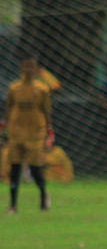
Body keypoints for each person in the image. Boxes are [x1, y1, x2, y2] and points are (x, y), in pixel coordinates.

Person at [2, 57, 54, 214]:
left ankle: (44, 195)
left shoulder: (42, 89)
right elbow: (9, 109)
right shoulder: (14, 88)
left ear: (36, 68)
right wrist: (5, 126)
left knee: (36, 169)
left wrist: (49, 131)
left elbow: (46, 111)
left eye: (32, 66)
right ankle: (13, 205)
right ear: (21, 67)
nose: (29, 69)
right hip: (16, 133)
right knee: (15, 169)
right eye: (26, 66)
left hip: (35, 134)